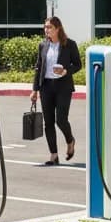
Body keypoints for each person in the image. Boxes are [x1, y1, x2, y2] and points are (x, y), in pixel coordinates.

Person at [30, 15, 82, 166]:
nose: (46, 30)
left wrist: (66, 71)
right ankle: (53, 155)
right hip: (46, 86)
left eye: (49, 27)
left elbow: (78, 64)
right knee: (49, 122)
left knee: (61, 119)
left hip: (63, 86)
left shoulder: (69, 44)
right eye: (45, 27)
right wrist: (35, 90)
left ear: (58, 28)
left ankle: (70, 140)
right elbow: (38, 68)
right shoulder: (43, 45)